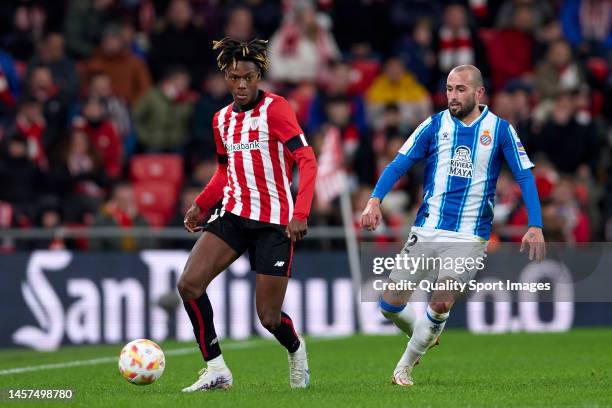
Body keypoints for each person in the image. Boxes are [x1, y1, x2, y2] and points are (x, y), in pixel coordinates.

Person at [360, 65, 546, 387]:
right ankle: (425, 333)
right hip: (427, 227)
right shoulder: (433, 125)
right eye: (449, 89)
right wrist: (374, 200)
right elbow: (399, 163)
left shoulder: (500, 130)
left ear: (479, 93)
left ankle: (403, 368)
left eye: (460, 89)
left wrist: (535, 224)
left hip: (469, 235)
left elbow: (525, 176)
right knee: (389, 305)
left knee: (441, 301)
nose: (453, 96)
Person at [177, 38, 317, 392]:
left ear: (259, 77)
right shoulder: (221, 120)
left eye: (249, 78)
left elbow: (306, 159)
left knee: (269, 318)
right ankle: (216, 368)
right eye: (234, 77)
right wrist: (202, 204)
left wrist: (300, 213)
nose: (241, 85)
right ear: (225, 77)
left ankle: (296, 349)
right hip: (234, 215)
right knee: (189, 284)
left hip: (275, 222)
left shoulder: (277, 110)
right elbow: (225, 171)